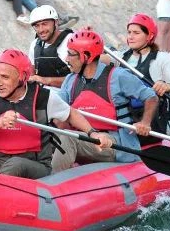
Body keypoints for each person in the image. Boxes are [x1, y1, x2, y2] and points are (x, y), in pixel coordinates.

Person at [0, 49, 99, 179]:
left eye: (5, 77)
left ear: (22, 77)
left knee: (15, 165)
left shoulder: (44, 98)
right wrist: (0, 121)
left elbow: (71, 114)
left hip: (35, 164)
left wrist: (92, 132)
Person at [51, 29, 154, 172]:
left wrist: (145, 122)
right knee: (48, 135)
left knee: (68, 138)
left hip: (114, 142)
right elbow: (57, 109)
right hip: (87, 138)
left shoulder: (118, 76)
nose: (67, 59)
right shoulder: (70, 80)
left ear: (86, 57)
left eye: (71, 54)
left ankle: (52, 182)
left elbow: (151, 96)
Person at [121, 14, 170, 141]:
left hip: (151, 122)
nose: (131, 36)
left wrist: (168, 87)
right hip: (124, 119)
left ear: (149, 36)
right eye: (129, 32)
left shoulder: (162, 59)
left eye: (136, 33)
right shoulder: (120, 57)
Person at [28, 5, 73, 87]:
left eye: (44, 24)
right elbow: (31, 74)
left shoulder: (71, 41)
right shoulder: (35, 44)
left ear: (56, 22)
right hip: (43, 93)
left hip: (69, 93)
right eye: (37, 26)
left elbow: (78, 79)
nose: (41, 30)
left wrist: (45, 80)